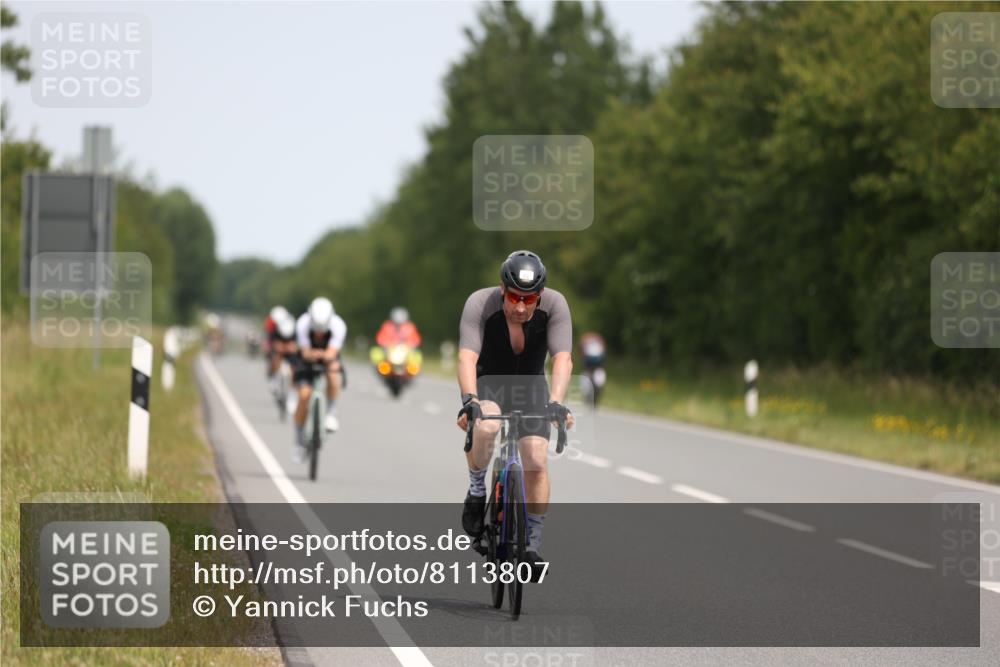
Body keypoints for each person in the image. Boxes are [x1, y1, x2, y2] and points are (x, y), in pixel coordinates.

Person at [455, 250, 575, 576]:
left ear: (540, 295)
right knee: (487, 428)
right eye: (513, 297)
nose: (520, 307)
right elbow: (467, 356)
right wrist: (470, 400)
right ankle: (478, 489)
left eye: (529, 299)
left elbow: (562, 359)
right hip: (489, 384)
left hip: (531, 387)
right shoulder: (480, 304)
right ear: (501, 288)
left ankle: (532, 545)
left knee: (536, 459)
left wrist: (557, 401)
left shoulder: (555, 306)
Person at [292, 297, 347, 463]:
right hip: (306, 358)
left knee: (333, 373)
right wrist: (311, 354)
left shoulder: (338, 325)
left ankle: (331, 412)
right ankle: (299, 440)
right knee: (303, 396)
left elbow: (332, 352)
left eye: (322, 329)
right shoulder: (302, 323)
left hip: (328, 357)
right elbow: (305, 351)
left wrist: (324, 356)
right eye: (316, 329)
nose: (319, 333)